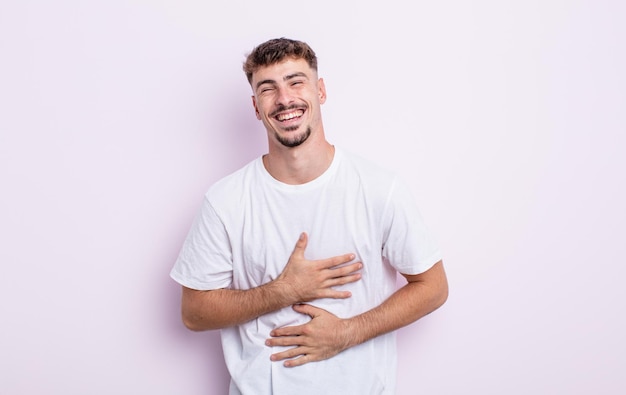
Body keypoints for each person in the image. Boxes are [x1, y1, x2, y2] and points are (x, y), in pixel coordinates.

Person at [170, 37, 448, 395]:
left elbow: (433, 286)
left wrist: (348, 332)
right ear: (256, 108)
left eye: (296, 81)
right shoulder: (226, 201)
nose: (285, 99)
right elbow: (194, 312)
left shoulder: (379, 188)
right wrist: (283, 291)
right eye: (268, 89)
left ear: (320, 91)